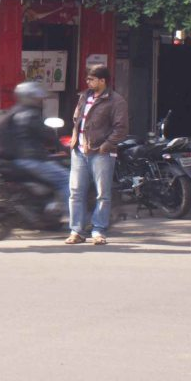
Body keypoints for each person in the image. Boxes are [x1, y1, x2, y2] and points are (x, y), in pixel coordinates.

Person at [66, 63, 128, 246]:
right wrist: (74, 140)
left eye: (92, 79)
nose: (88, 82)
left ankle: (98, 230)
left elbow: (121, 128)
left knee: (102, 194)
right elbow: (77, 119)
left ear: (103, 81)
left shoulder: (116, 101)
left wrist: (106, 146)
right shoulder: (84, 96)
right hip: (79, 150)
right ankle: (76, 230)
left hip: (101, 153)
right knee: (75, 192)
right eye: (87, 79)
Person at [0, 80, 69, 197]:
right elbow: (47, 134)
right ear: (31, 97)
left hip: (16, 159)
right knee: (66, 180)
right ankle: (70, 214)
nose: (40, 100)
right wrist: (63, 147)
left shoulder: (13, 112)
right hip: (32, 159)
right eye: (37, 97)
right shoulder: (31, 114)